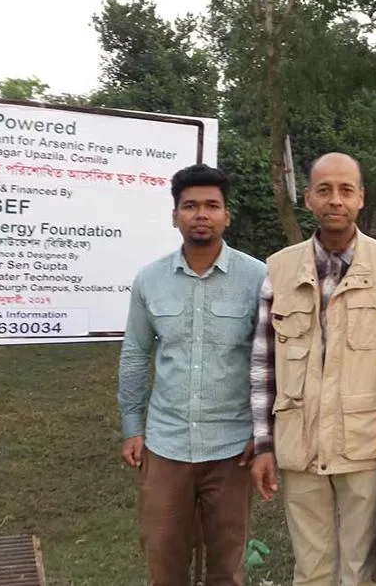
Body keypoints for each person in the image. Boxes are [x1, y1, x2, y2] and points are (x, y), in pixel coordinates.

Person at [248, 152, 376, 586]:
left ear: (361, 198)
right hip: (298, 446)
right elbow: (262, 362)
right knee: (311, 568)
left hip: (365, 446)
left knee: (359, 569)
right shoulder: (279, 268)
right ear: (308, 198)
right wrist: (264, 445)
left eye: (346, 190)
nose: (335, 200)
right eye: (324, 190)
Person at [117, 163, 266, 586]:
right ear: (175, 215)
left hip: (233, 449)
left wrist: (263, 432)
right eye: (190, 206)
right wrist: (132, 425)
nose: (201, 214)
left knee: (227, 566)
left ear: (226, 215)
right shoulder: (149, 280)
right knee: (164, 561)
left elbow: (269, 360)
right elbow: (135, 354)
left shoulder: (257, 278)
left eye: (211, 206)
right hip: (166, 445)